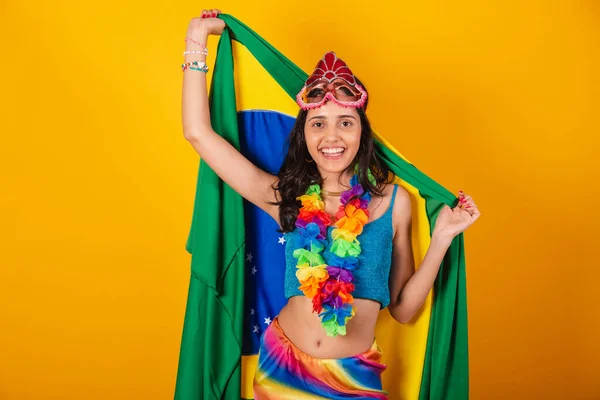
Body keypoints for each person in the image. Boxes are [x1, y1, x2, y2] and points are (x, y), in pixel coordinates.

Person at [182, 8, 481, 399]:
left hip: (354, 378)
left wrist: (441, 239)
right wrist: (197, 39)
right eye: (317, 123)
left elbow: (404, 310)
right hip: (281, 369)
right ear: (303, 136)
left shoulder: (393, 203)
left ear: (362, 132)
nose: (331, 135)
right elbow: (199, 134)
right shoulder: (286, 199)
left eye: (345, 121)